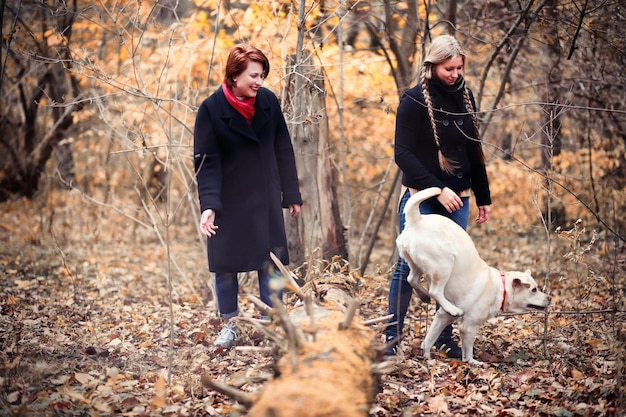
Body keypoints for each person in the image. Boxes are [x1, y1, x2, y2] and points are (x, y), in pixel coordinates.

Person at [385, 34, 492, 357]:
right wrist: (438, 188)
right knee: (407, 269)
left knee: (453, 270)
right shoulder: (414, 100)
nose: (455, 74)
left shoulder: (466, 97)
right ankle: (391, 339)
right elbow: (402, 154)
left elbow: (474, 152)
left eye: (459, 68)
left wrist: (483, 195)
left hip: (459, 199)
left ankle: (443, 339)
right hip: (423, 197)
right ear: (432, 66)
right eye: (448, 68)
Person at [194, 44, 303, 348]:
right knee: (226, 266)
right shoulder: (210, 110)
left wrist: (291, 193)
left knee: (271, 263)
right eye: (254, 75)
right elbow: (206, 163)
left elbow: (283, 148)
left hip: (265, 198)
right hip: (228, 203)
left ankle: (274, 325)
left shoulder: (268, 101)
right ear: (234, 76)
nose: (259, 81)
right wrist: (210, 206)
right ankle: (230, 325)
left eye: (262, 75)